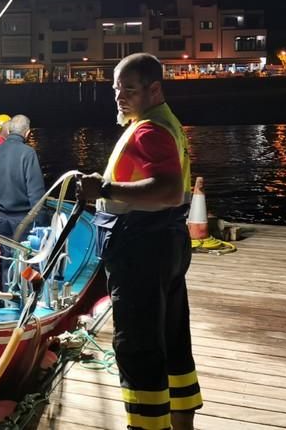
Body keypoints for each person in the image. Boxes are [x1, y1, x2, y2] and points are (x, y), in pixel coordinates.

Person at [78, 53, 202, 430]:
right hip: (167, 241)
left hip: (142, 247)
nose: (119, 97)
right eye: (116, 89)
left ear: (154, 89)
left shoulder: (149, 130)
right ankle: (181, 422)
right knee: (171, 334)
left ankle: (147, 425)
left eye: (128, 89)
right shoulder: (165, 123)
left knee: (137, 344)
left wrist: (105, 188)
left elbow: (165, 189)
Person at [0, 114, 47, 291]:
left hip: (2, 218)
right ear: (27, 133)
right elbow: (35, 192)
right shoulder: (28, 153)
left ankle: (9, 296)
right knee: (29, 260)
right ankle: (30, 297)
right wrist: (42, 221)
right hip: (24, 219)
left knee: (8, 259)